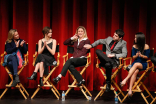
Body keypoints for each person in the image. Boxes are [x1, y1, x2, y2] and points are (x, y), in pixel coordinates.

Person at [120, 32, 150, 97]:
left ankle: (125, 79)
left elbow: (147, 57)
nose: (134, 39)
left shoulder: (146, 46)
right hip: (135, 64)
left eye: (136, 37)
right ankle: (130, 89)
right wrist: (136, 56)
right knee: (135, 71)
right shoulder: (134, 46)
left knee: (136, 64)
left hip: (143, 64)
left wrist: (142, 55)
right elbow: (133, 57)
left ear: (140, 39)